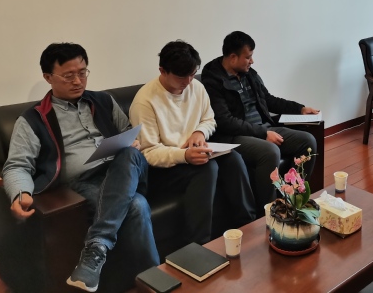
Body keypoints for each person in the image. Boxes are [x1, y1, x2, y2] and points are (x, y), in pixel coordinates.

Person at [2, 43, 158, 292]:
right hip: (83, 183)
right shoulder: (33, 119)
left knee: (129, 153)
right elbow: (17, 165)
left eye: (82, 72)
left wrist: (134, 141)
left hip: (125, 170)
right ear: (48, 77)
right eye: (68, 75)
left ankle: (95, 247)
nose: (78, 81)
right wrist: (20, 193)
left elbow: (128, 131)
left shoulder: (103, 100)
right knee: (136, 205)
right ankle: (152, 282)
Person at [130, 40, 255, 244]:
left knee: (233, 159)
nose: (188, 81)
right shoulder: (145, 101)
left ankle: (248, 226)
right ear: (162, 71)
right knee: (207, 169)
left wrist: (199, 132)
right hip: (164, 168)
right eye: (182, 77)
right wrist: (184, 156)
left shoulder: (196, 87)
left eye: (192, 74)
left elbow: (209, 119)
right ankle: (199, 245)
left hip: (194, 153)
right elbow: (149, 152)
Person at [201, 31, 319, 217]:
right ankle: (269, 211)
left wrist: (300, 108)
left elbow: (269, 100)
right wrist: (262, 133)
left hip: (265, 128)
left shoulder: (249, 74)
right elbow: (224, 121)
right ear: (233, 57)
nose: (252, 61)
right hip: (236, 136)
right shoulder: (213, 80)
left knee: (308, 141)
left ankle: (292, 199)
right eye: (248, 57)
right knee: (270, 151)